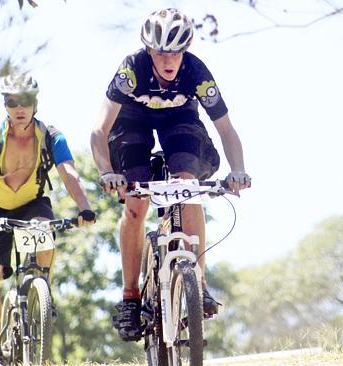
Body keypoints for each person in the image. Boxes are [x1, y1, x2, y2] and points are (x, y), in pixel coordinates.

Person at [90, 8, 251, 342]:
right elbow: (99, 131)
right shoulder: (131, 70)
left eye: (176, 52)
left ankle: (199, 283)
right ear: (149, 50)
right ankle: (131, 297)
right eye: (162, 52)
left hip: (180, 120)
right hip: (133, 120)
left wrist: (238, 171)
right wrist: (107, 172)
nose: (169, 60)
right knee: (135, 203)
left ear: (185, 51)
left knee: (187, 185)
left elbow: (226, 130)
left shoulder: (196, 72)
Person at [0, 73, 97, 366]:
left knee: (46, 236)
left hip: (31, 205)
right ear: (5, 104)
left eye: (25, 100)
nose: (19, 107)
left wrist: (84, 207)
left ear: (35, 103)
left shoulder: (51, 136)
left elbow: (68, 172)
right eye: (12, 101)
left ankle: (41, 290)